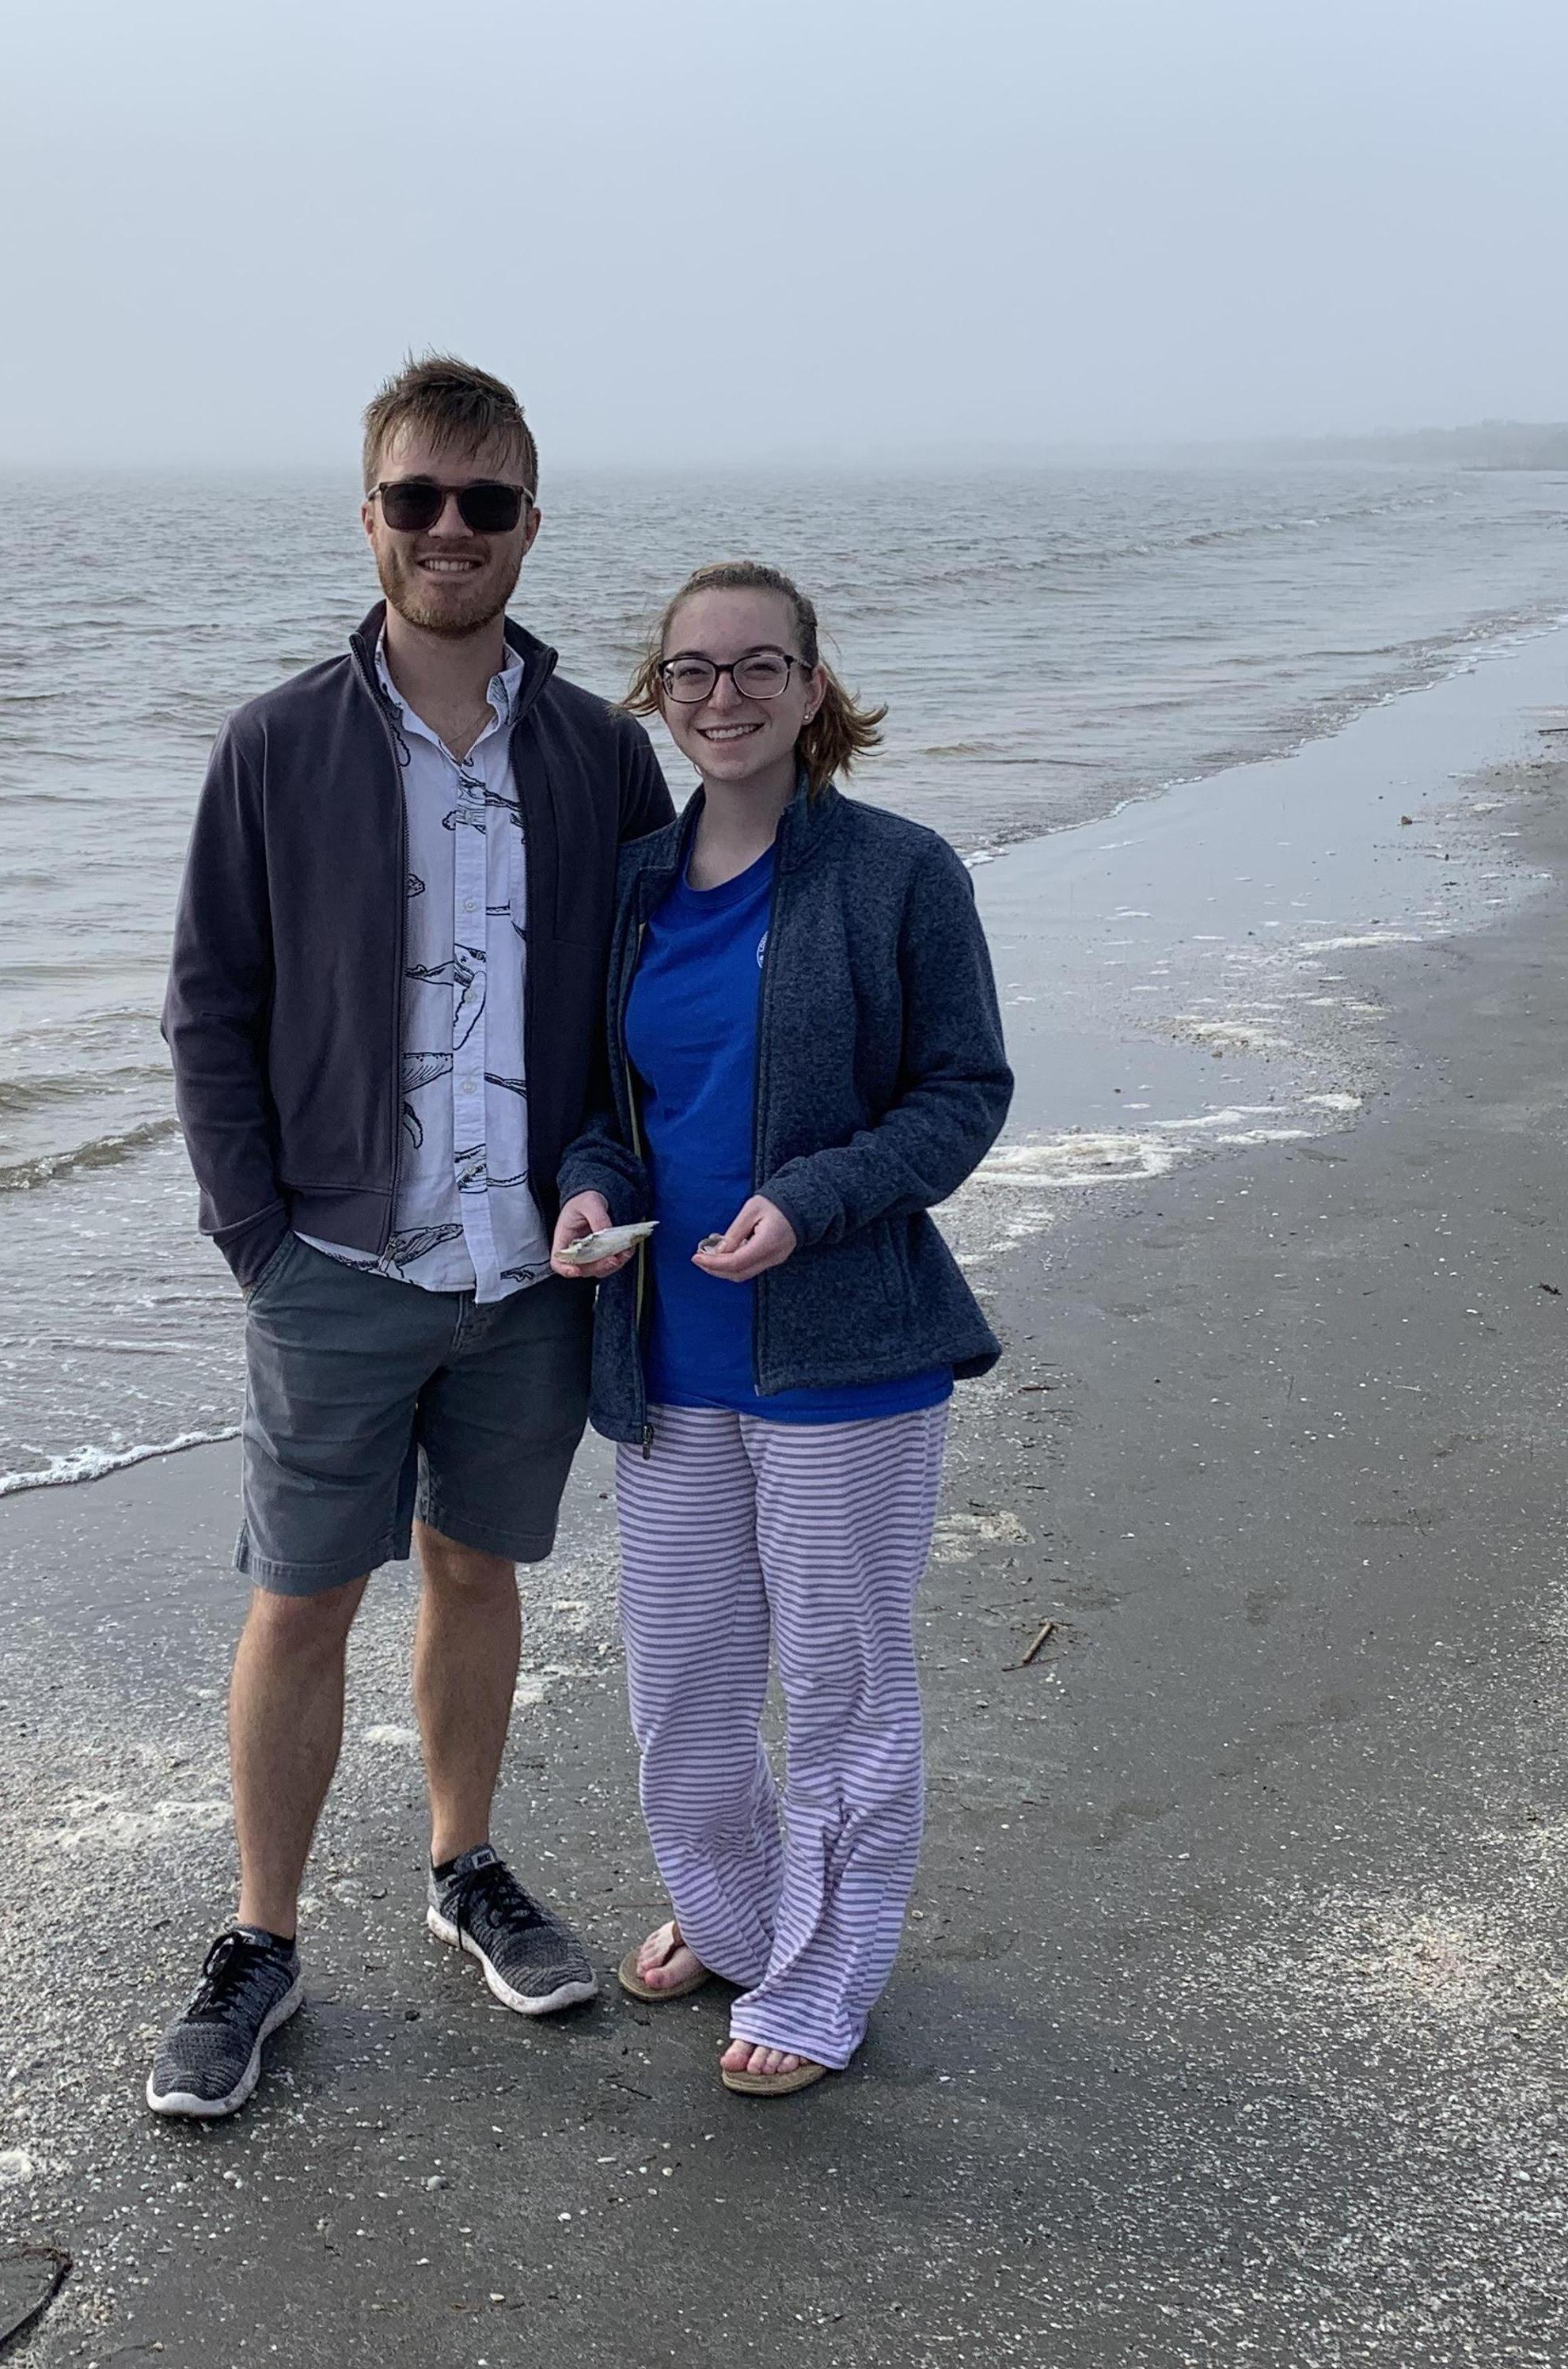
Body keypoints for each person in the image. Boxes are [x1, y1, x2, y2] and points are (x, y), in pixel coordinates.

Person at [148, 356, 674, 2119]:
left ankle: (464, 1867)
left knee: (476, 1569)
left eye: (488, 501)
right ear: (368, 514)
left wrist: (611, 1182)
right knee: (301, 1601)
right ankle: (261, 1940)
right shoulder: (278, 744)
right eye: (417, 498)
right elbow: (211, 1004)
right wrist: (258, 1238)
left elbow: (642, 1011)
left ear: (532, 522)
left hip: (534, 1271)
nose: (452, 530)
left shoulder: (605, 753)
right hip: (338, 1264)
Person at [552, 562, 1012, 2096]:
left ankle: (823, 1977)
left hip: (845, 1354)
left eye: (761, 667)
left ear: (816, 688)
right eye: (692, 671)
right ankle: (737, 1914)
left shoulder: (899, 872)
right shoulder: (630, 885)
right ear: (658, 694)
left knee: (841, 1681)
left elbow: (963, 1094)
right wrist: (587, 1196)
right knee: (679, 1681)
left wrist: (811, 1202)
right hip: (666, 1352)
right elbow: (609, 1116)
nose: (725, 697)